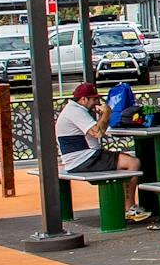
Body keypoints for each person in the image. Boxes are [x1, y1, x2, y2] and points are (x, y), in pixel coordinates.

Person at [56, 83, 150, 223]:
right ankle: (128, 208)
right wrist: (106, 113)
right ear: (83, 99)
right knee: (133, 163)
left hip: (83, 157)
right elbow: (98, 133)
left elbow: (100, 130)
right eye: (93, 99)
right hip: (84, 159)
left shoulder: (74, 110)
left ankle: (126, 205)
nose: (97, 102)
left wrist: (103, 117)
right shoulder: (76, 112)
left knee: (127, 160)